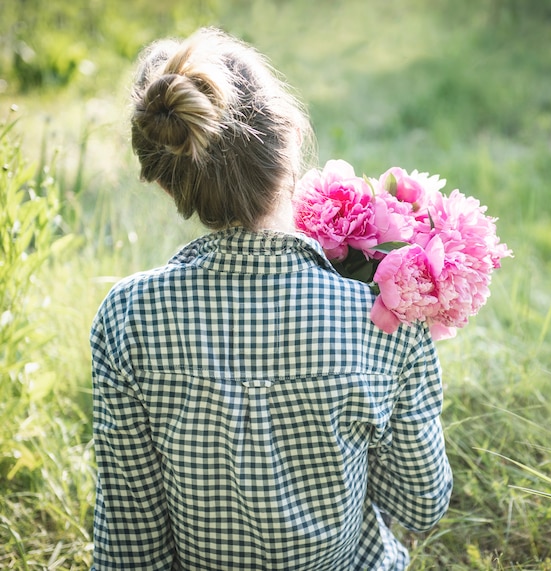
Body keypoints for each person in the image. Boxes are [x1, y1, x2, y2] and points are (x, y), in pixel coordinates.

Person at [90, 27, 452, 571]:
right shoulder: (381, 317)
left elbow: (131, 542)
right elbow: (422, 503)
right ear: (289, 140)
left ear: (170, 181)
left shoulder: (128, 317)